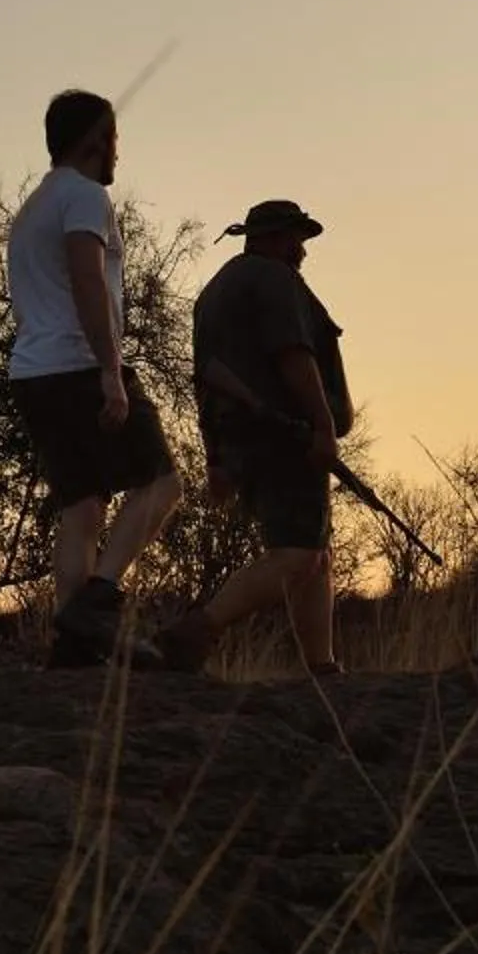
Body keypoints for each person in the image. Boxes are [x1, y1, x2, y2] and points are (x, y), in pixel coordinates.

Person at [6, 89, 183, 667]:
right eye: (113, 141)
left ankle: (74, 649)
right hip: (80, 364)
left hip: (34, 372)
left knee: (81, 507)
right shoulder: (84, 197)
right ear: (94, 140)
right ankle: (97, 604)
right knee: (162, 484)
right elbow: (87, 280)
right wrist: (111, 370)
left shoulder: (33, 206)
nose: (116, 155)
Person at [162, 199, 353, 676]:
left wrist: (216, 457)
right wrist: (324, 428)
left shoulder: (216, 291)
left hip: (246, 439)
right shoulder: (273, 280)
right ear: (273, 238)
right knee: (297, 554)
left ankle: (321, 666)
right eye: (295, 239)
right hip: (285, 438)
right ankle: (198, 629)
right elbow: (294, 354)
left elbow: (204, 377)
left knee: (315, 550)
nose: (301, 251)